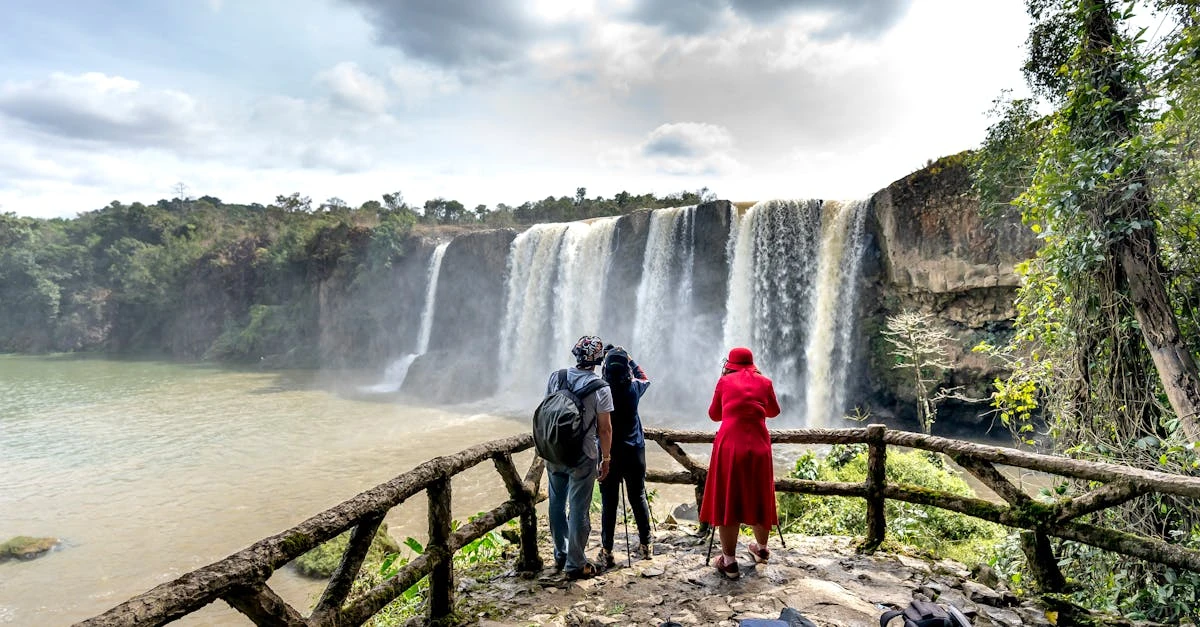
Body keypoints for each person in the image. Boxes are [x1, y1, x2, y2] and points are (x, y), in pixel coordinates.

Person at [699, 346, 781, 579]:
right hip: (759, 446)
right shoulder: (765, 382)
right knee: (760, 496)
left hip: (730, 447)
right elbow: (774, 411)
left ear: (730, 365)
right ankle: (762, 550)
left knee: (729, 500)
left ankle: (729, 561)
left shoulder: (724, 383)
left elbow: (714, 415)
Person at [545, 335, 614, 579]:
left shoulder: (557, 376)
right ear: (598, 360)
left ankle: (560, 553)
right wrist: (606, 459)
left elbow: (547, 409)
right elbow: (604, 429)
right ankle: (575, 563)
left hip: (553, 452)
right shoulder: (601, 387)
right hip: (583, 456)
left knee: (555, 503)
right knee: (578, 509)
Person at [597, 345, 653, 568]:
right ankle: (646, 544)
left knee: (609, 503)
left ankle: (607, 550)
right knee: (637, 496)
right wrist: (631, 360)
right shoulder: (634, 388)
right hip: (635, 451)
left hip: (610, 453)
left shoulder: (601, 391)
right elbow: (645, 377)